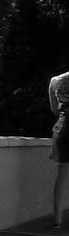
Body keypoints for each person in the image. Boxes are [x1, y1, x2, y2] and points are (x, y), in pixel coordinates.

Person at [51, 69, 69, 227]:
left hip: (63, 127)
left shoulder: (56, 81)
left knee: (62, 174)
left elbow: (54, 109)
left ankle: (57, 220)